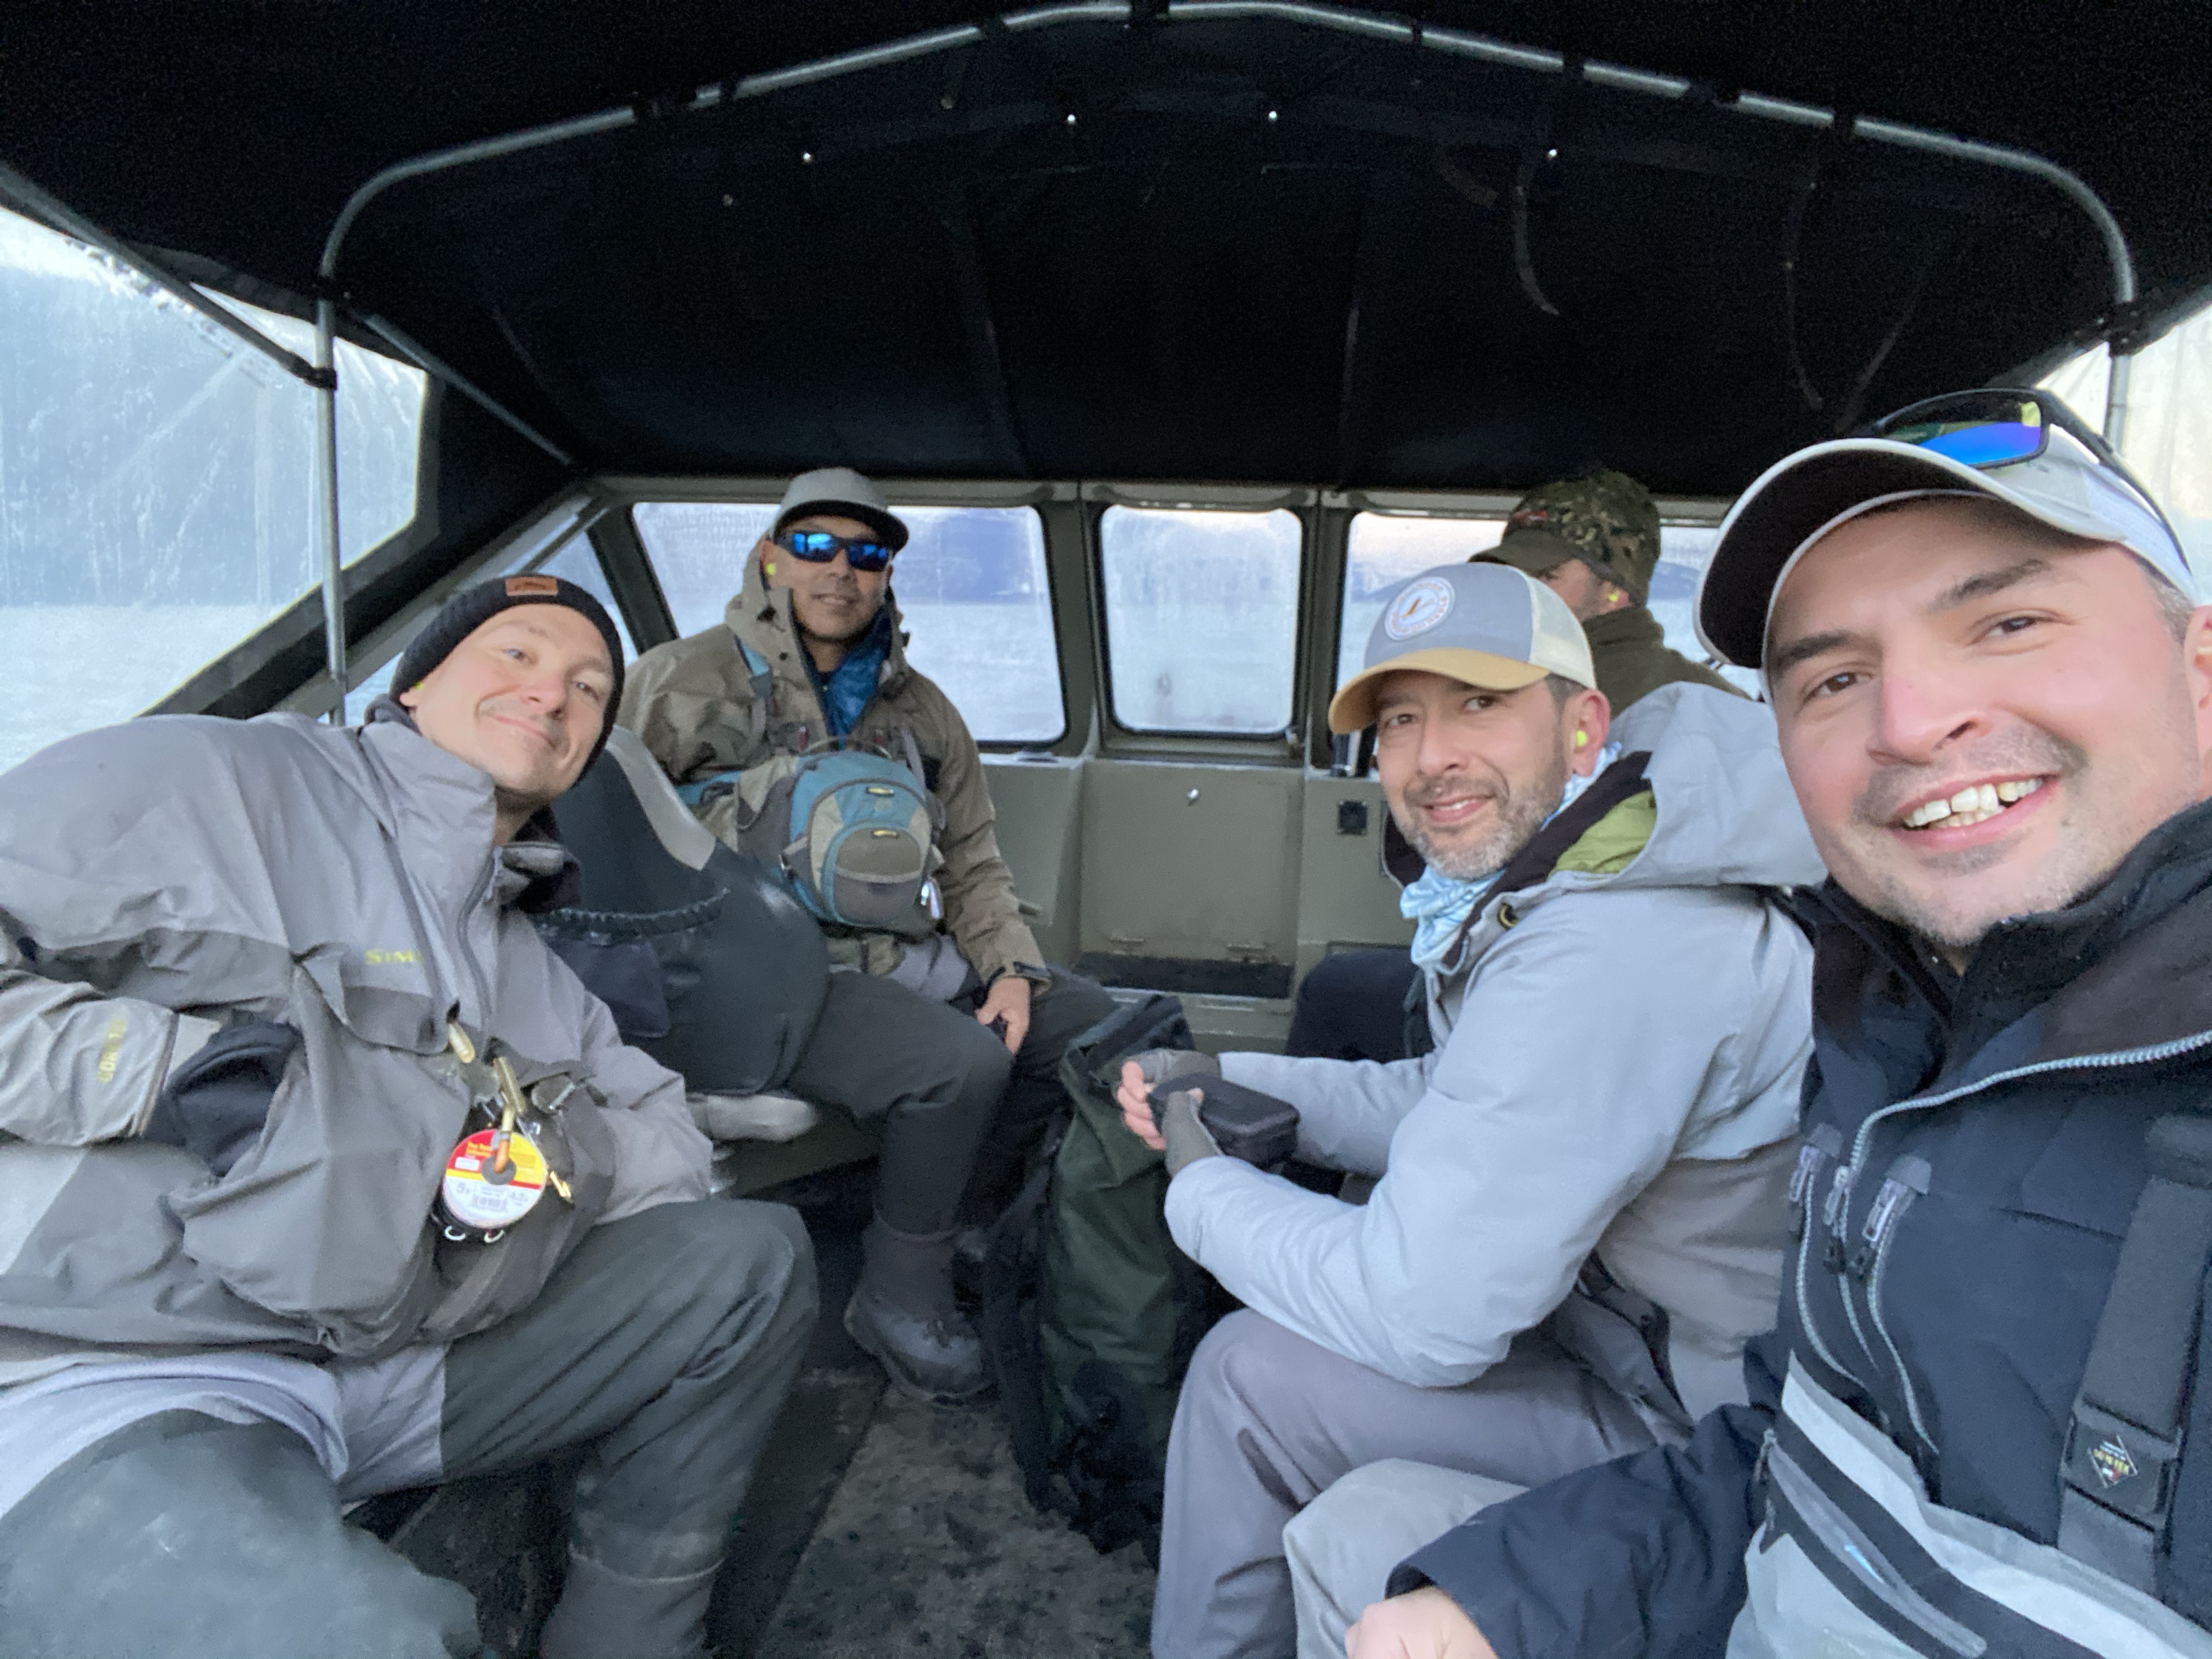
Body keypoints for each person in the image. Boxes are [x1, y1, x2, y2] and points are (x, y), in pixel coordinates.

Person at [1325, 388, 2212, 1659]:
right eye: (1836, 677)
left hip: (1639, 1372)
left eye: (2009, 625)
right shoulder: (1884, 1038)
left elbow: (1439, 1308)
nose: (1911, 721)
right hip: (1734, 1528)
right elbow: (1801, 1463)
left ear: (2202, 672)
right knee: (1370, 1553)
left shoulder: (1660, 947)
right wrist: (1497, 1599)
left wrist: (1198, 1183)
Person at [0, 574, 817, 1659]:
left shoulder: (525, 953)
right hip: (124, 1359)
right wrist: (174, 1074)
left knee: (751, 1260)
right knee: (377, 1639)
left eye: (588, 687)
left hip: (404, 1343)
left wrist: (517, 1147)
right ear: (417, 681)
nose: (553, 694)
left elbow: (662, 1136)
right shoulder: (215, 781)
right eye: (517, 653)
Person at [1118, 560, 1825, 1657]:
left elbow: (1423, 1316)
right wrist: (1236, 1079)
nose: (1431, 756)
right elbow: (1455, 1098)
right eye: (1400, 720)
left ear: (1583, 727)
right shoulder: (1587, 870)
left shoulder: (1616, 944)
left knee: (1270, 1408)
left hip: (1708, 1438)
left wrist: (1198, 1186)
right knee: (1249, 1368)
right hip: (1619, 1346)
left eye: (1480, 703)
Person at [620, 467, 1116, 1405]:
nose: (840, 569)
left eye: (867, 553)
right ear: (771, 557)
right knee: (958, 1064)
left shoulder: (922, 712)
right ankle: (896, 1295)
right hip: (756, 978)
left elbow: (972, 862)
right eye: (815, 545)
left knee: (1086, 1021)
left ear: (886, 574)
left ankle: (965, 1218)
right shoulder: (679, 683)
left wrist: (1012, 970)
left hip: (896, 957)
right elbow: (607, 841)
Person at [1285, 467, 1740, 1065]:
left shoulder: (1575, 695)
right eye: (1511, 575)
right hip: (1542, 972)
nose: (1434, 757)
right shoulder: (1719, 699)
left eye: (1546, 577)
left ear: (1616, 590)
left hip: (1566, 993)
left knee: (1331, 990)